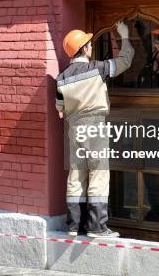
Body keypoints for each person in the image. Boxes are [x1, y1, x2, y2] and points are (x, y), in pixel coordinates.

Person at [56, 21, 134, 238]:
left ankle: (74, 226)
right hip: (94, 127)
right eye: (89, 45)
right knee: (98, 175)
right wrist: (125, 37)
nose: (91, 47)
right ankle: (97, 227)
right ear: (85, 48)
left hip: (74, 130)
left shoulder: (61, 78)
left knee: (76, 175)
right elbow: (125, 61)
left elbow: (59, 108)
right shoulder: (97, 68)